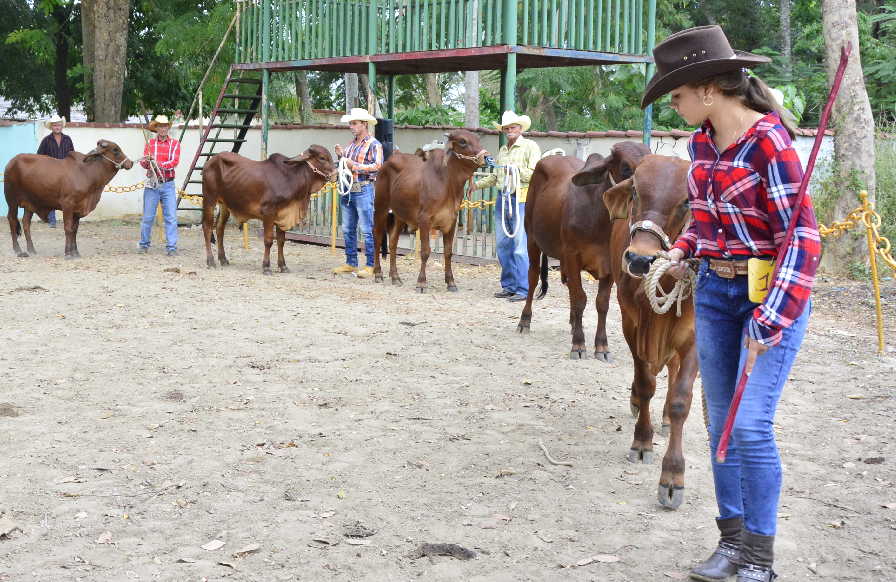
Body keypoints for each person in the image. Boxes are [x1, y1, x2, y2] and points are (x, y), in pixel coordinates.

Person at [643, 26, 820, 582]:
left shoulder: (770, 141)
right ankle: (732, 542)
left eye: (676, 95)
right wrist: (680, 250)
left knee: (749, 425)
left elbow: (804, 237)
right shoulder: (700, 143)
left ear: (707, 89)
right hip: (715, 294)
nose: (674, 106)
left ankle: (759, 560)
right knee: (720, 423)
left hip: (770, 295)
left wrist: (773, 315)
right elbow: (705, 218)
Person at [474, 111, 541, 302]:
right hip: (503, 199)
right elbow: (496, 176)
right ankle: (509, 285)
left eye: (513, 127)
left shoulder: (530, 147)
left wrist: (513, 171)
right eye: (507, 128)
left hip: (520, 199)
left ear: (520, 129)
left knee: (519, 245)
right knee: (503, 245)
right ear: (503, 131)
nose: (510, 130)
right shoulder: (503, 150)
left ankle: (524, 288)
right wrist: (476, 185)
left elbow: (534, 174)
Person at [332, 108, 384, 278]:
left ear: (364, 124)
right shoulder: (351, 145)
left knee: (367, 228)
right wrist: (341, 156)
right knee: (348, 228)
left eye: (354, 123)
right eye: (351, 123)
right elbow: (345, 165)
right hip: (348, 190)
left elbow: (377, 166)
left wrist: (353, 165)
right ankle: (351, 263)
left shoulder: (374, 144)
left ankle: (371, 265)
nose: (351, 126)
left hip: (363, 188)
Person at [137, 114, 181, 256]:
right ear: (156, 128)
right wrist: (147, 161)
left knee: (171, 217)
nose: (163, 128)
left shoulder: (175, 144)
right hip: (152, 184)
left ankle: (172, 247)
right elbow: (144, 163)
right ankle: (143, 245)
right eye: (160, 126)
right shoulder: (149, 144)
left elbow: (174, 162)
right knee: (148, 217)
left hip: (168, 184)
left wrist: (157, 164)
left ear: (168, 127)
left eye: (165, 126)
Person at [36, 115, 75, 227]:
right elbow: (39, 156)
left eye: (58, 125)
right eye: (54, 125)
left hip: (66, 172)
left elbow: (72, 154)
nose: (57, 127)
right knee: (52, 195)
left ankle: (68, 219)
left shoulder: (67, 139)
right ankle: (52, 220)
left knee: (68, 196)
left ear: (61, 126)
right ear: (51, 127)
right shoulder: (46, 140)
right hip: (51, 173)